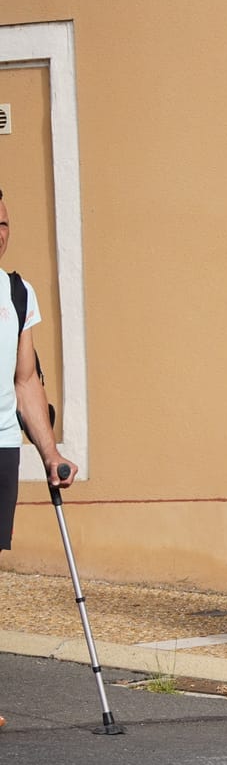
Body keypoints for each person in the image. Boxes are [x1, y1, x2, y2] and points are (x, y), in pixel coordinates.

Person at [0, 189, 77, 733]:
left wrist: (50, 452)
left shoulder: (16, 291)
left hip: (2, 444)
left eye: (3, 223)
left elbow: (26, 380)